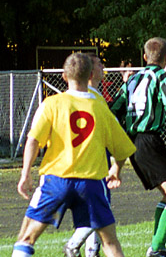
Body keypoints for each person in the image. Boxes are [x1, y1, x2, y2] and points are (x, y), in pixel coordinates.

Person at [11, 53, 136, 257]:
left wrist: (26, 173)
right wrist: (116, 169)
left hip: (56, 180)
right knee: (110, 242)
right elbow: (122, 148)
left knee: (27, 237)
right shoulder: (101, 108)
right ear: (90, 75)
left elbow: (33, 140)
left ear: (63, 76)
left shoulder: (52, 104)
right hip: (91, 184)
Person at [110, 37, 166, 257]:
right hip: (149, 141)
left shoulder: (131, 80)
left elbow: (115, 110)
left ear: (145, 57)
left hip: (133, 144)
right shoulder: (162, 77)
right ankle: (156, 249)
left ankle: (158, 246)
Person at [63, 53, 108, 257]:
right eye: (99, 64)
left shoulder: (97, 96)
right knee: (100, 207)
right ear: (89, 71)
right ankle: (74, 245)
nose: (102, 68)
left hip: (99, 158)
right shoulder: (84, 97)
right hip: (87, 162)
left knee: (99, 206)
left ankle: (92, 249)